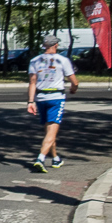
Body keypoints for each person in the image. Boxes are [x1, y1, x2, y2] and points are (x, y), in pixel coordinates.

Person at [28, 35, 78, 172]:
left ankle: (55, 158)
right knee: (52, 131)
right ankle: (41, 158)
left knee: (49, 131)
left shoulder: (35, 60)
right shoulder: (62, 60)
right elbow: (75, 81)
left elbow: (32, 83)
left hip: (40, 97)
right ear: (55, 45)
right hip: (56, 97)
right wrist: (73, 89)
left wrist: (30, 101)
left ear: (44, 45)